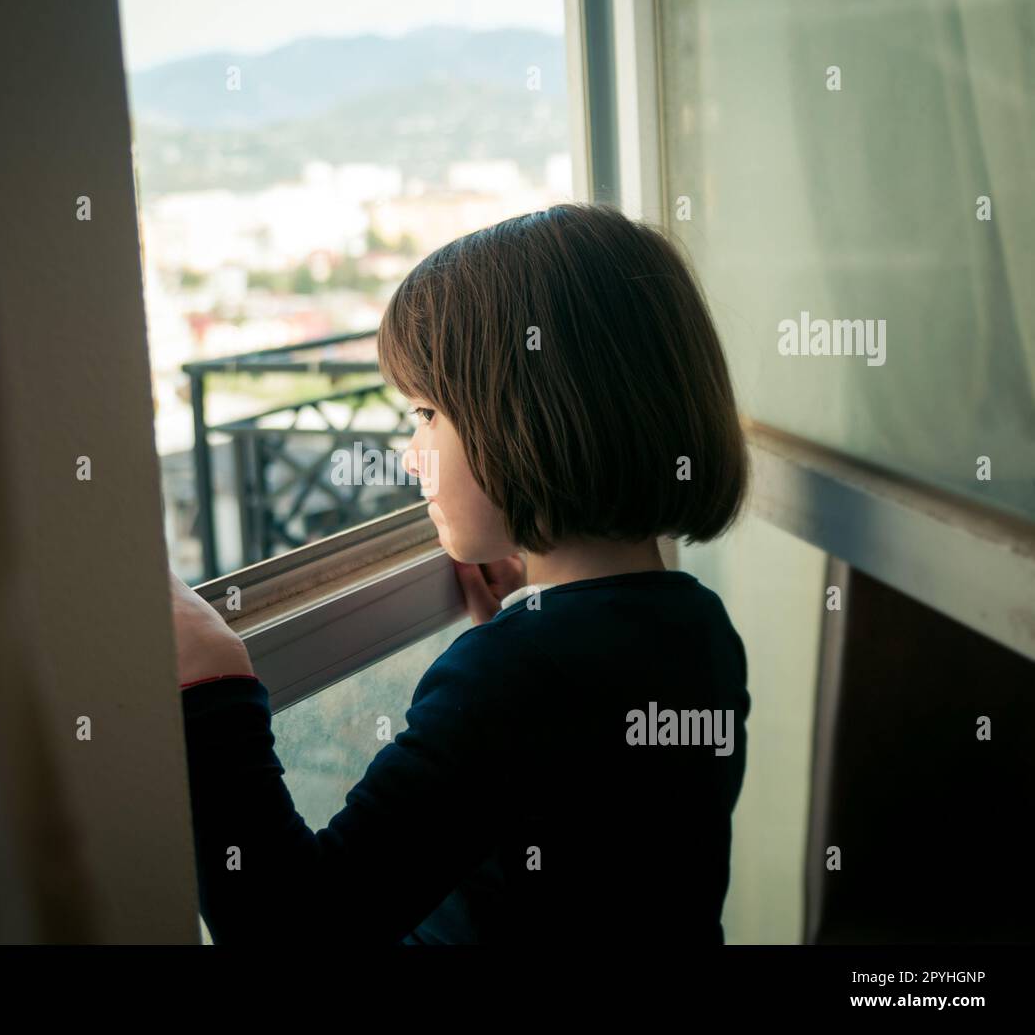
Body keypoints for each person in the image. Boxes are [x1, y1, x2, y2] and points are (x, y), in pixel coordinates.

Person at [171, 201, 752, 945]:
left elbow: (296, 926)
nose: (411, 455)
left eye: (423, 414)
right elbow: (597, 838)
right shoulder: (697, 625)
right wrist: (525, 613)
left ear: (534, 418)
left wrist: (213, 692)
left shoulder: (513, 677)